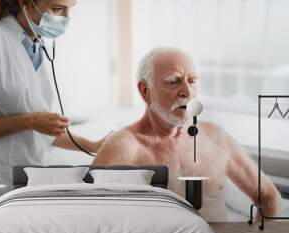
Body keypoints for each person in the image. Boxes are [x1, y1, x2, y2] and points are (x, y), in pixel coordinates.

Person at [0, 0, 108, 221]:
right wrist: (29, 121)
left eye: (69, 10)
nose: (65, 18)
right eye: (57, 8)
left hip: (22, 184)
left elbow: (39, 130)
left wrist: (92, 146)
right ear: (26, 3)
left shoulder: (36, 47)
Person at [92, 47, 281, 221]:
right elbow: (90, 219)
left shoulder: (215, 137)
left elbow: (269, 197)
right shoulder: (124, 147)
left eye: (192, 81)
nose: (187, 92)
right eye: (174, 82)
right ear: (145, 91)